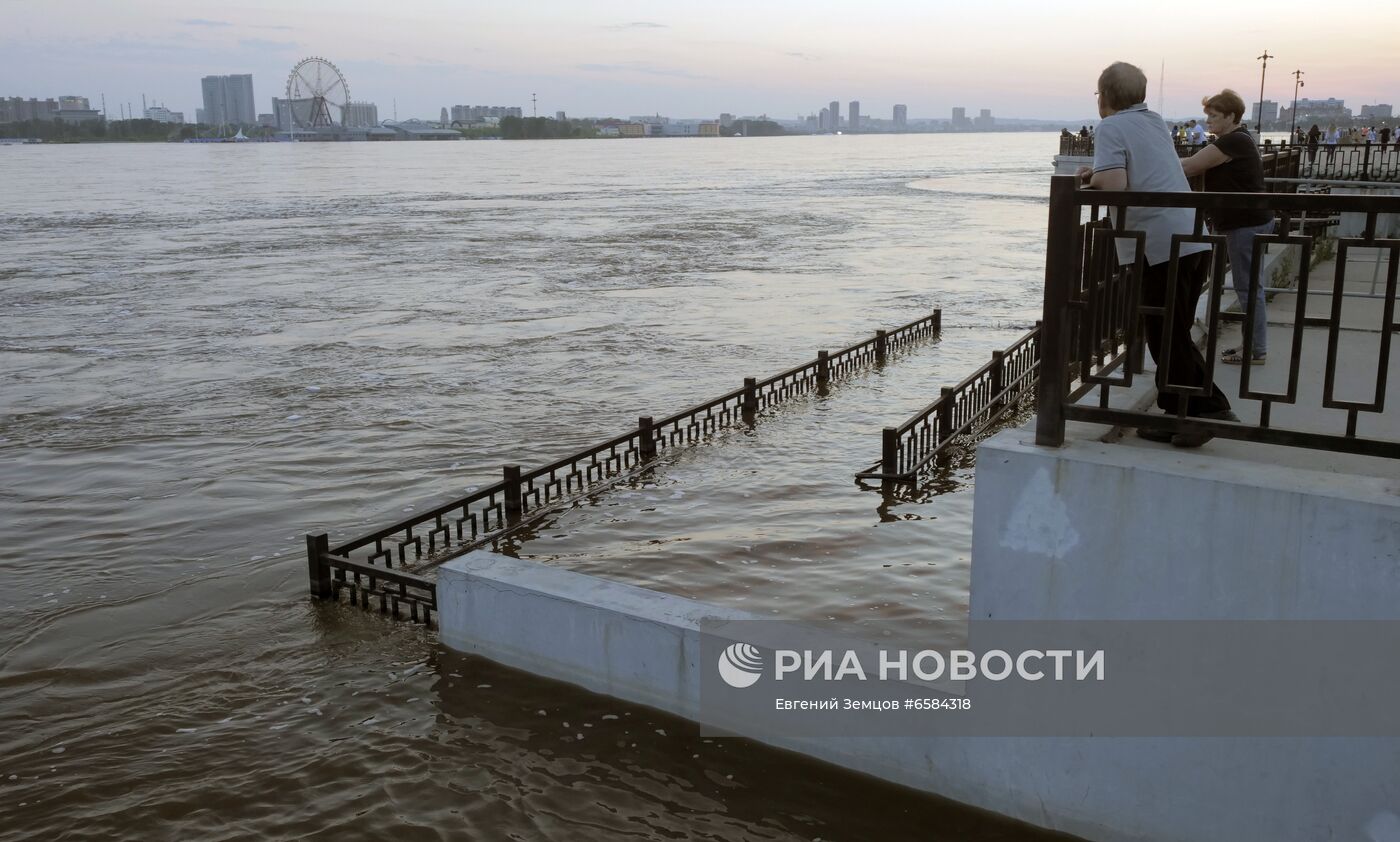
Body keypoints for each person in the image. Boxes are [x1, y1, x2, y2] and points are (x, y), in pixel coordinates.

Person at [1077, 61, 1236, 446]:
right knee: (1171, 330)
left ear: (1107, 96)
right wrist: (1095, 173)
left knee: (1164, 333)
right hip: (1190, 235)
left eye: (1099, 94)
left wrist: (1092, 177)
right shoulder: (1155, 121)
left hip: (1158, 243)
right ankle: (1179, 412)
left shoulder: (1111, 126)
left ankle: (1207, 409)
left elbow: (1116, 182)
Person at [1181, 89, 1274, 365]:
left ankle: (1256, 351)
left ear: (1231, 116)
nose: (1208, 121)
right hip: (1249, 221)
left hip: (1245, 224)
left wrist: (1147, 169)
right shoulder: (1237, 140)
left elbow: (1189, 167)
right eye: (1207, 115)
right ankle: (1253, 346)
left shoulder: (1232, 142)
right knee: (1250, 286)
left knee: (1247, 288)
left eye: (1214, 116)